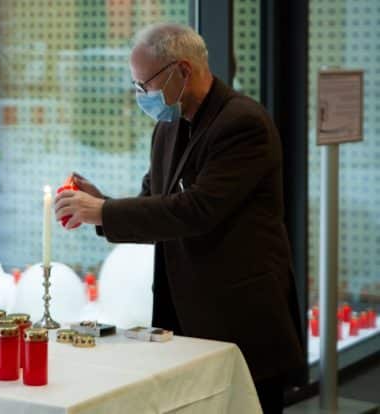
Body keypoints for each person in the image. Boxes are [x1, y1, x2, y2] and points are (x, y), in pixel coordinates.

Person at [54, 23, 305, 414]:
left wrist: (104, 211)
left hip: (240, 316)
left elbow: (197, 210)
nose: (141, 96)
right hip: (182, 316)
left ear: (183, 71)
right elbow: (155, 204)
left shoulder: (243, 124)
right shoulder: (167, 127)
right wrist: (99, 203)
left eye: (145, 85)